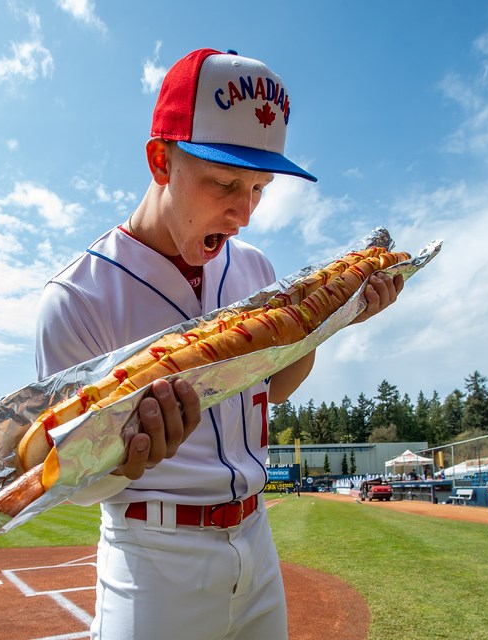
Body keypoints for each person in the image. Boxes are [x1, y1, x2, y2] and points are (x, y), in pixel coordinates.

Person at [35, 48, 403, 640]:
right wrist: (134, 456)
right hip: (154, 555)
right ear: (160, 160)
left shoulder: (256, 267)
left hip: (256, 541)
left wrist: (329, 324)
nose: (245, 213)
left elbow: (274, 384)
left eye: (259, 187)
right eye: (226, 182)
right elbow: (76, 484)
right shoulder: (79, 295)